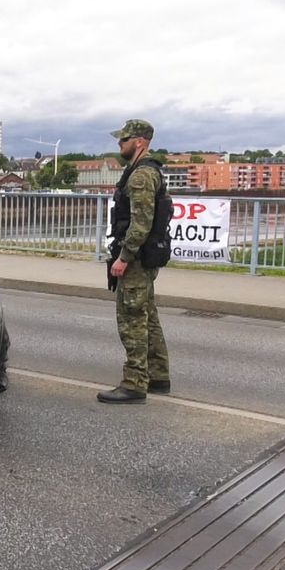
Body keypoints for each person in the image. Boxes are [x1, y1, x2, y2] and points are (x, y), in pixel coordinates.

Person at [97, 119, 170, 404]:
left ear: (139, 142)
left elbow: (141, 223)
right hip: (145, 256)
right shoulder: (146, 170)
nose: (120, 144)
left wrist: (123, 258)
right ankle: (158, 375)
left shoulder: (140, 175)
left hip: (136, 259)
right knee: (148, 316)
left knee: (132, 320)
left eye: (124, 140)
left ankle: (135, 382)